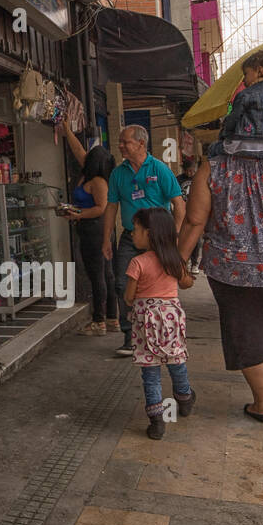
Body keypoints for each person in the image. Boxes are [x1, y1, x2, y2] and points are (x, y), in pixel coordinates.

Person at [180, 48, 263, 422]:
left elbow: (194, 221)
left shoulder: (214, 166)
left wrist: (176, 263)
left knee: (249, 330)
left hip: (234, 269)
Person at [102, 125, 185, 356]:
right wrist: (106, 239)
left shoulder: (159, 169)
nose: (120, 146)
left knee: (161, 286)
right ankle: (130, 336)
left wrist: (174, 235)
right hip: (130, 237)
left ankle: (161, 332)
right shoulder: (119, 173)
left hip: (159, 239)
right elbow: (111, 207)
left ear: (141, 143)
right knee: (122, 284)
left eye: (125, 142)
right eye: (119, 141)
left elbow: (179, 204)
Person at [124, 207, 195, 439]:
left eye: (135, 230)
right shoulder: (173, 260)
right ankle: (184, 399)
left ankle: (157, 422)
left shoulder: (137, 263)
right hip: (171, 319)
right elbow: (186, 284)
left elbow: (128, 297)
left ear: (149, 233)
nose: (132, 234)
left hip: (146, 321)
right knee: (177, 361)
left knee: (151, 372)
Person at [60, 121, 118, 335]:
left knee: (99, 275)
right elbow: (78, 150)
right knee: (106, 274)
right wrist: (66, 129)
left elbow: (101, 208)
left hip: (95, 229)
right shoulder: (92, 174)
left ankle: (99, 321)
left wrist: (79, 215)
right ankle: (112, 319)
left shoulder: (98, 182)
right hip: (92, 228)